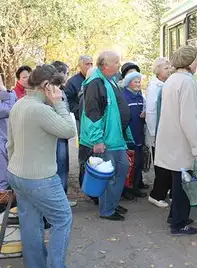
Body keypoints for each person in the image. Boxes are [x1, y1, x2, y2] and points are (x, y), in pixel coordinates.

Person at [7, 64, 76, 267]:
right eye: (57, 87)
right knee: (62, 219)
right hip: (40, 178)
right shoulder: (40, 109)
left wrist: (16, 170)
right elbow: (69, 130)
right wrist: (59, 104)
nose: (59, 92)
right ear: (46, 85)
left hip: (17, 174)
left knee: (30, 223)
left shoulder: (19, 104)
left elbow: (10, 144)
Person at [155, 45, 197, 235]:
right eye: (196, 60)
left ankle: (174, 216)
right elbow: (189, 118)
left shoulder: (171, 80)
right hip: (183, 141)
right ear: (190, 62)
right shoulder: (188, 82)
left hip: (171, 138)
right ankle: (179, 223)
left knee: (177, 181)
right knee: (184, 184)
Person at [79, 50, 132, 221]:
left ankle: (112, 203)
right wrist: (97, 140)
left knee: (121, 170)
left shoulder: (110, 81)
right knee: (111, 175)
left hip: (116, 139)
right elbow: (92, 114)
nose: (119, 65)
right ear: (105, 65)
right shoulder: (96, 83)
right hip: (106, 141)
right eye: (116, 62)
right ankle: (107, 209)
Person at [146, 57, 172, 208]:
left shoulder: (164, 84)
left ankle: (165, 190)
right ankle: (157, 194)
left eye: (169, 68)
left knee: (168, 164)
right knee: (162, 166)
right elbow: (151, 112)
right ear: (158, 70)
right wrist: (154, 134)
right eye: (166, 68)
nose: (169, 71)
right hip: (158, 133)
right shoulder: (155, 87)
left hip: (165, 131)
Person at [51, 61, 78, 207]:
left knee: (62, 167)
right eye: (67, 73)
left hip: (61, 134)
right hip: (59, 135)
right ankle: (60, 201)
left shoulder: (58, 90)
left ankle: (62, 198)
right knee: (60, 167)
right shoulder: (56, 92)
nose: (68, 76)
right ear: (60, 74)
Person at [122, 72, 147, 198]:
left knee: (138, 162)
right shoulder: (125, 96)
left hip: (138, 134)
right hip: (129, 135)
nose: (138, 84)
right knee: (129, 164)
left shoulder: (139, 97)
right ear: (128, 83)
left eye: (139, 81)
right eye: (135, 82)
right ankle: (127, 189)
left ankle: (135, 187)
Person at [0, 75, 17, 190]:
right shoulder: (6, 95)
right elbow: (9, 110)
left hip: (5, 141)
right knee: (3, 180)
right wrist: (4, 90)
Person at [65, 55, 93, 121]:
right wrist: (81, 110)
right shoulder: (72, 82)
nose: (90, 67)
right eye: (87, 64)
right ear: (80, 66)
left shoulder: (96, 80)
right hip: (79, 119)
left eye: (91, 64)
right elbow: (68, 101)